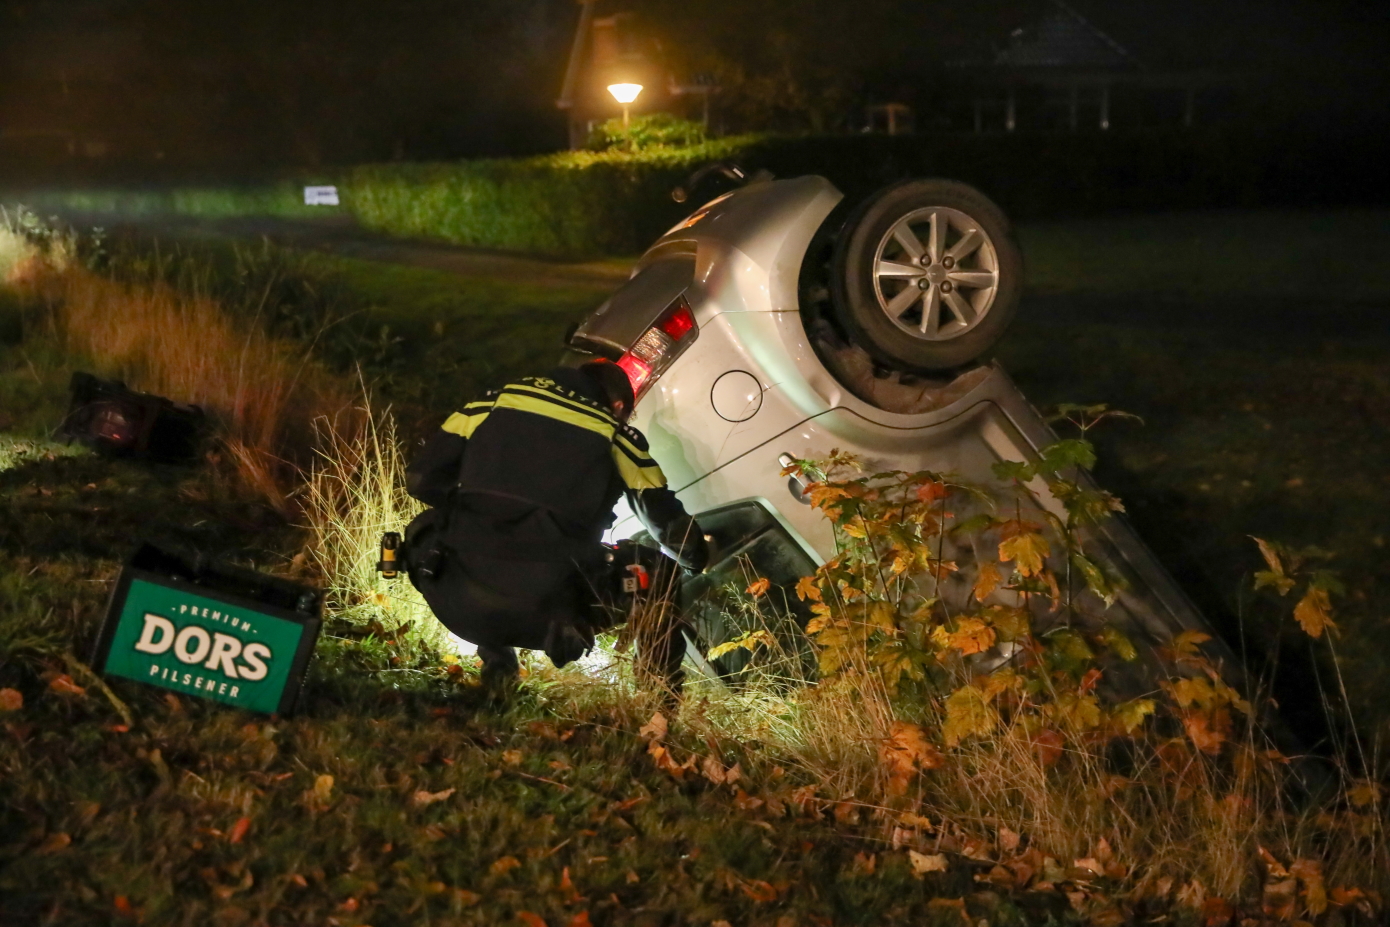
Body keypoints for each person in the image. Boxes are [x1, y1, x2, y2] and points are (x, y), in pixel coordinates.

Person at [402, 359, 709, 700]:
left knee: (423, 527)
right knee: (661, 573)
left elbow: (420, 481)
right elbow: (674, 533)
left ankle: (498, 666)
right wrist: (697, 560)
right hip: (550, 618)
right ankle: (658, 704)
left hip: (455, 601)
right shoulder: (615, 434)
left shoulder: (494, 402)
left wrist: (473, 507)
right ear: (619, 405)